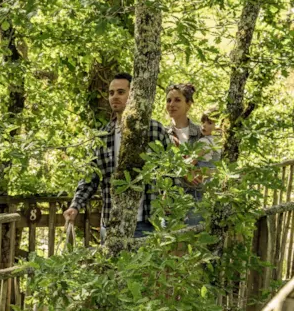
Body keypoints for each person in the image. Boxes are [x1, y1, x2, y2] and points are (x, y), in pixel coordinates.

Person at [63, 72, 170, 238]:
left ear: (133, 94)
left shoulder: (154, 130)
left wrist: (171, 207)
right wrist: (75, 206)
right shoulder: (103, 136)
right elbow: (91, 176)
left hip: (147, 223)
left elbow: (170, 172)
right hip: (111, 223)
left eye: (121, 92)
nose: (115, 97)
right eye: (111, 93)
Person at [165, 82, 214, 222]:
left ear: (189, 104)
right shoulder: (162, 133)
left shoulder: (202, 133)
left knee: (194, 240)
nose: (171, 104)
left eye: (177, 100)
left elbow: (215, 165)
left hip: (197, 201)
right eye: (168, 100)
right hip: (169, 201)